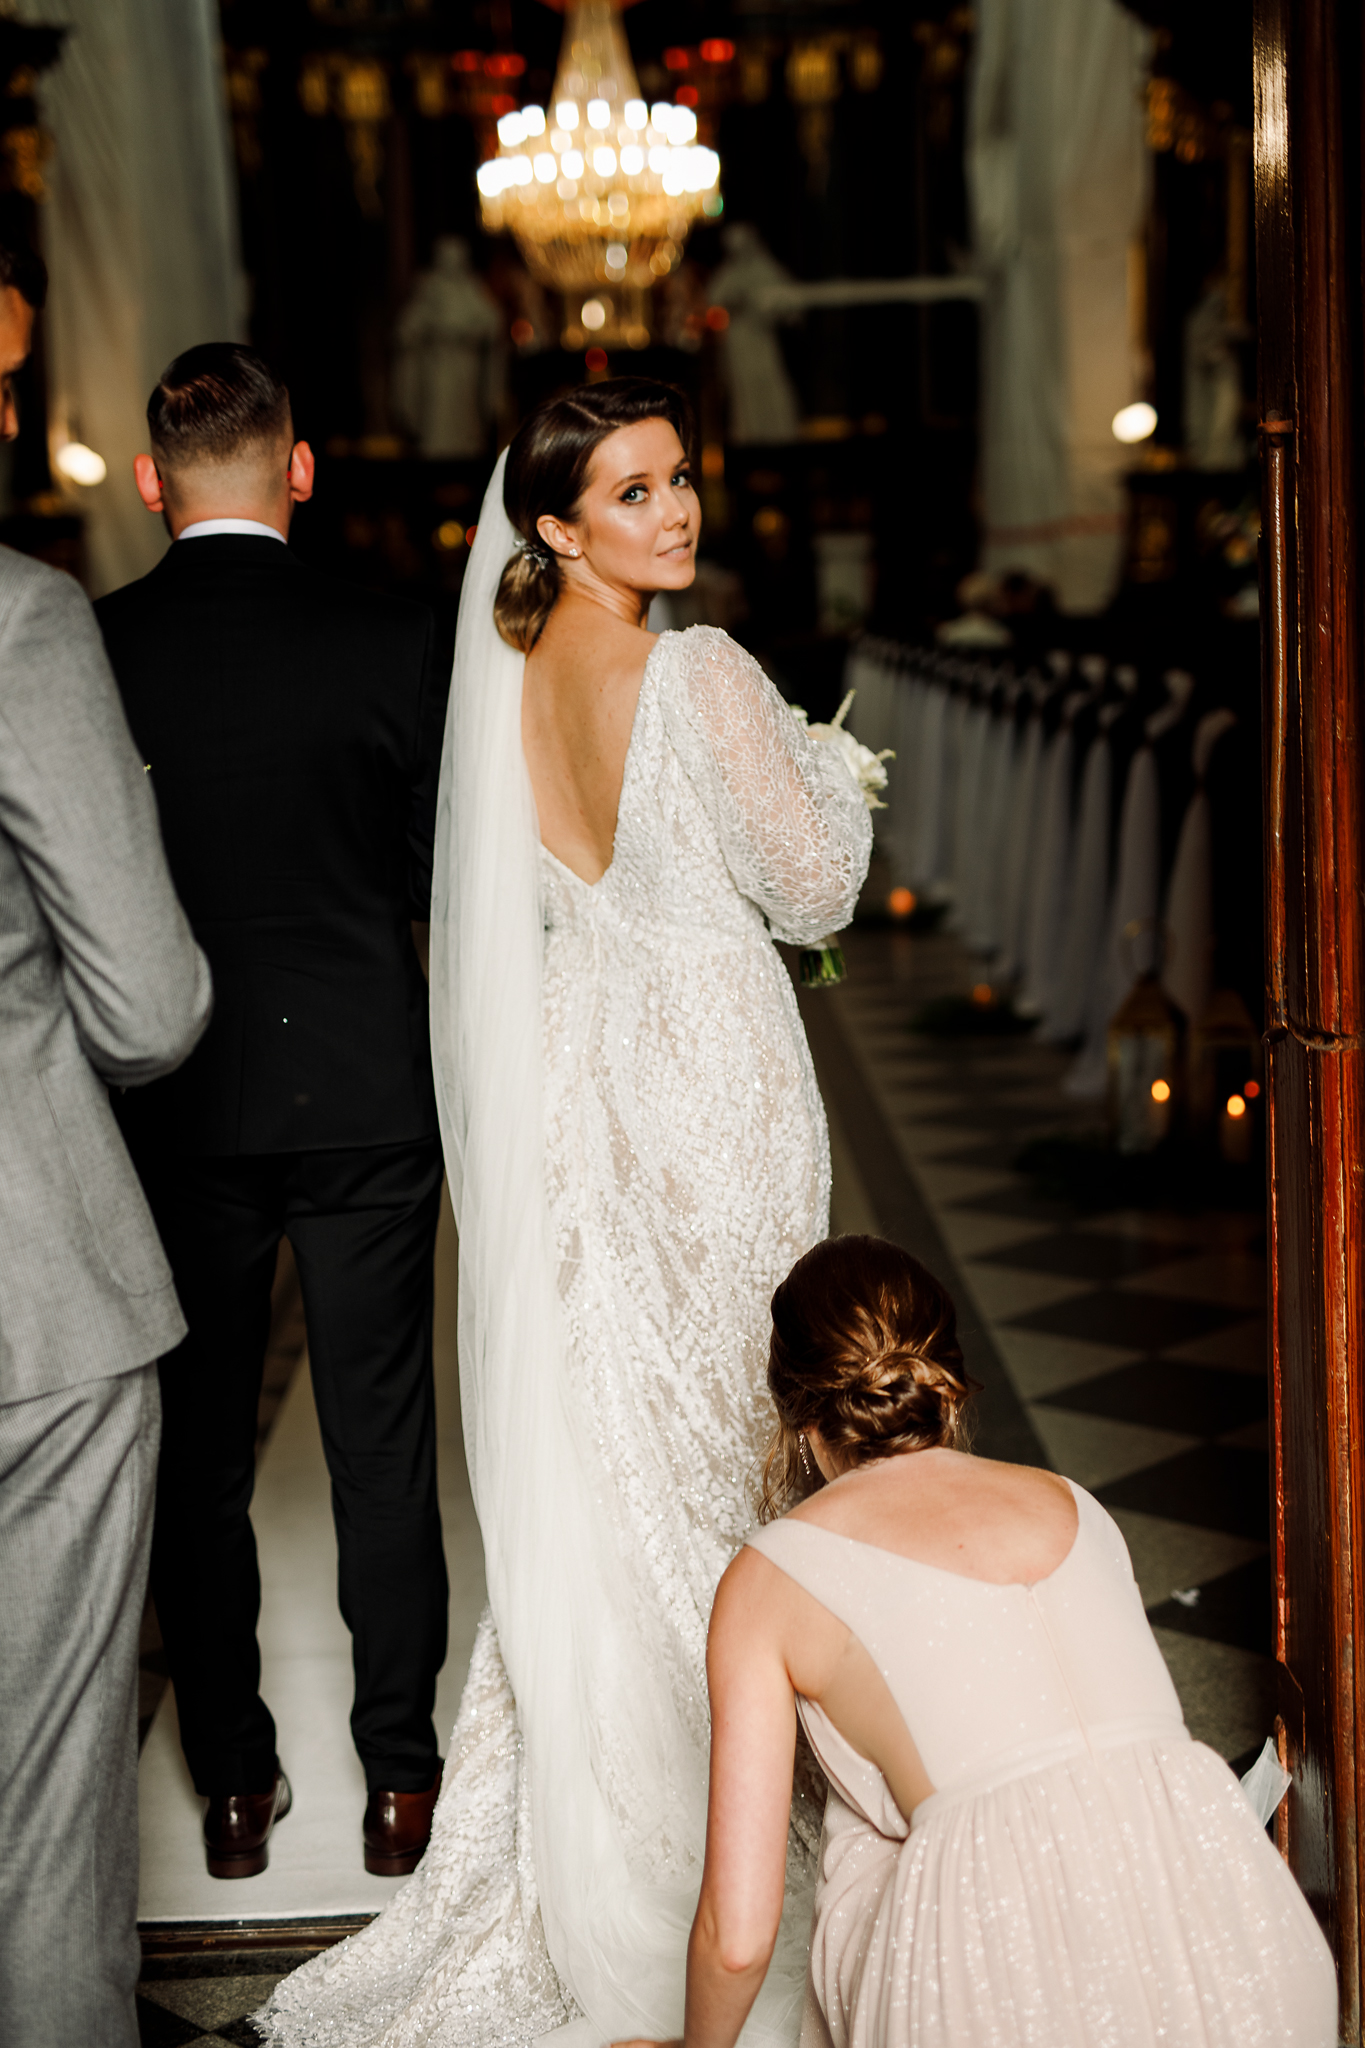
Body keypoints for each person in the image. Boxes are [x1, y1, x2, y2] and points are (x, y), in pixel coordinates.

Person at [258, 379, 872, 2044]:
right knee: (742, 1435)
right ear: (556, 526)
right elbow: (814, 886)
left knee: (624, 1444)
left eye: (678, 478)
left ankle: (624, 1820)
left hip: (589, 1086)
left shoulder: (504, 684)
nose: (675, 511)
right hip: (717, 1084)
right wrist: (834, 779)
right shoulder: (703, 671)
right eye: (632, 492)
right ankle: (750, 1821)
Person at [623, 1234, 1338, 2048]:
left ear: (797, 1418)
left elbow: (738, 1938)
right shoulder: (1074, 1503)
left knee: (868, 1821)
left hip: (1006, 1993)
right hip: (1244, 1956)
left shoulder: (768, 1577)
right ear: (947, 1386)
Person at [96, 343, 451, 1880]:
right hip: (368, 1086)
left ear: (149, 482)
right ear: (299, 467)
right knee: (383, 1444)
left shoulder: (94, 645)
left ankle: (234, 1787)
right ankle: (402, 1786)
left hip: (178, 1102)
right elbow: (439, 874)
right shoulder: (392, 634)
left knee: (198, 1455)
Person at [0, 240, 213, 2046]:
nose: (9, 420)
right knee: (43, 1793)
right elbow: (146, 1006)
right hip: (30, 1298)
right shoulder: (22, 620)